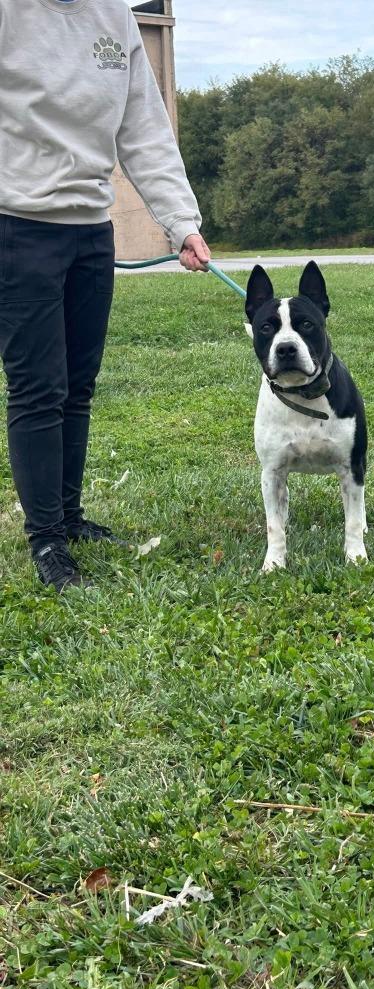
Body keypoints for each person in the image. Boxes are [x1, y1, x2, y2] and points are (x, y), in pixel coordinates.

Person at [0, 0, 210, 592]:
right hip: (18, 227)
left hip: (92, 230)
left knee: (77, 386)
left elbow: (144, 127)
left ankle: (69, 517)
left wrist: (181, 222)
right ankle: (46, 538)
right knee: (38, 388)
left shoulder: (113, 17)